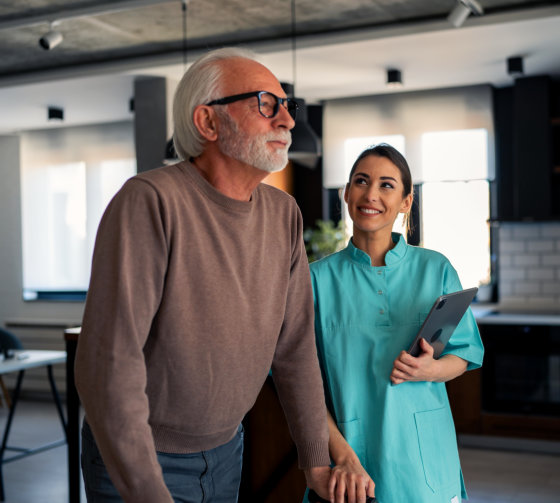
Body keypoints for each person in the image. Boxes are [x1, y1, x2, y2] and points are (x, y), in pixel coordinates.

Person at [74, 47, 332, 503]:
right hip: (141, 459)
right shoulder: (150, 202)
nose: (287, 121)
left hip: (228, 449)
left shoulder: (284, 213)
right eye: (265, 104)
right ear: (208, 122)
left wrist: (316, 460)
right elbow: (109, 366)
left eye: (286, 105)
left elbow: (295, 349)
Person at [309, 144, 484, 503]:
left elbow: (464, 354)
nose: (371, 194)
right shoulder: (314, 281)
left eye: (387, 185)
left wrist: (430, 370)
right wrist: (336, 453)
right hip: (351, 458)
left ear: (406, 202)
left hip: (425, 461)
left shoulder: (436, 269)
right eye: (361, 181)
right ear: (346, 192)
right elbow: (298, 385)